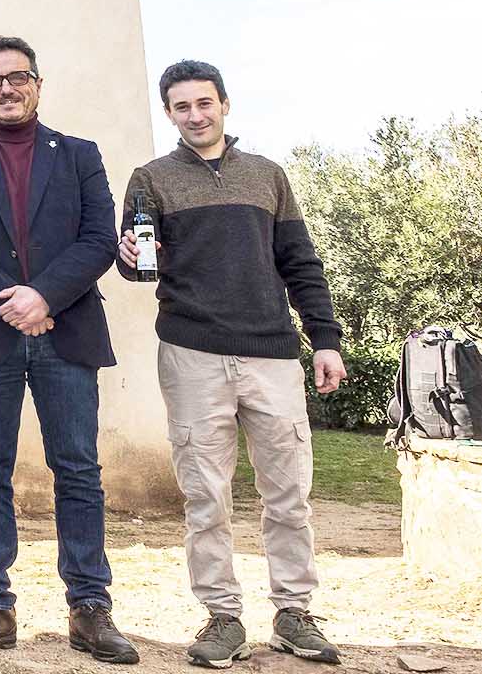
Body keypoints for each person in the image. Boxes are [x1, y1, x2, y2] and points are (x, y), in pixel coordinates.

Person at [119, 61, 347, 670]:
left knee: (289, 492)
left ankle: (294, 612)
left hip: (272, 351)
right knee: (205, 496)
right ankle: (222, 617)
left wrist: (324, 338)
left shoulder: (267, 176)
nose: (195, 115)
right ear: (168, 113)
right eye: (181, 107)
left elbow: (300, 262)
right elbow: (139, 266)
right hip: (192, 352)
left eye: (204, 103)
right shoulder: (150, 178)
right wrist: (128, 257)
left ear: (225, 104)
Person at [0, 37, 135, 663]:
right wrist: (11, 301)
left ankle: (89, 607)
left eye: (17, 78)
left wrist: (43, 297)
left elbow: (101, 237)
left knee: (77, 470)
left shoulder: (79, 156)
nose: (6, 89)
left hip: (65, 331)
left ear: (38, 83)